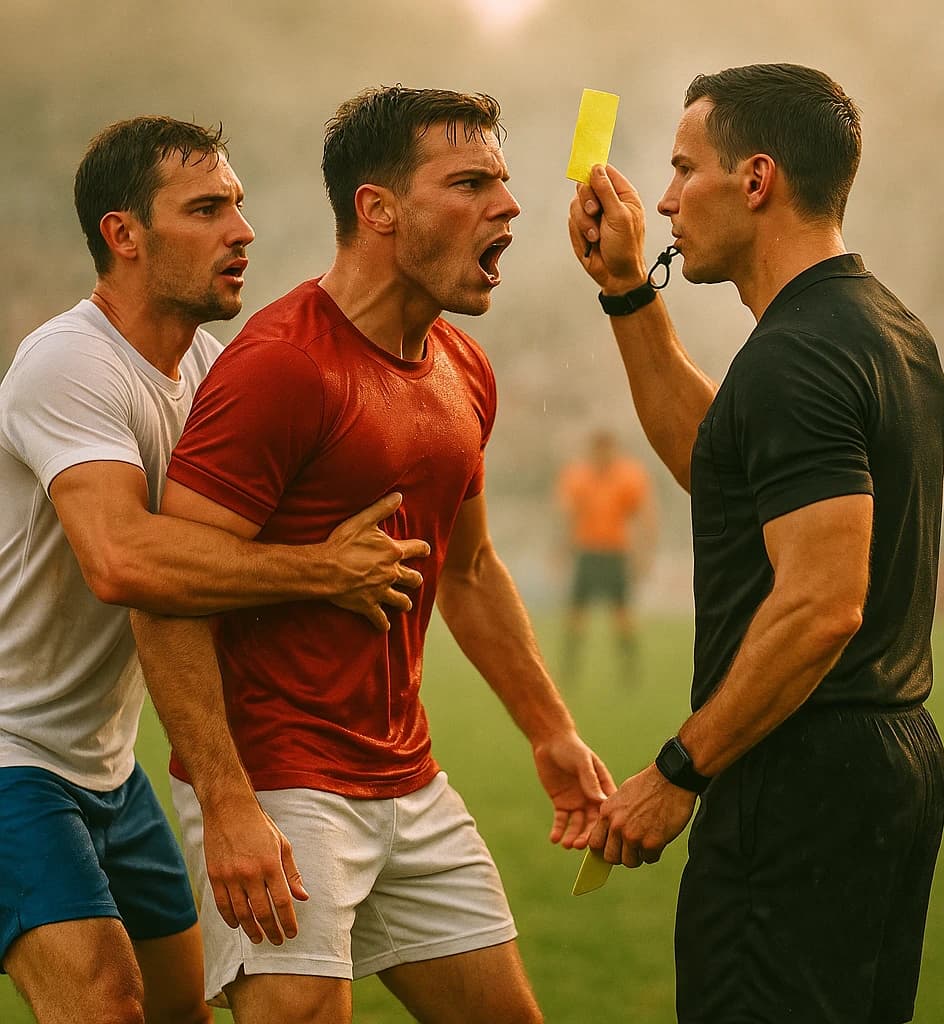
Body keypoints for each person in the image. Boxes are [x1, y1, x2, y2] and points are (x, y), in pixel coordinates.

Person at [130, 87, 615, 1024]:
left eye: (504, 183)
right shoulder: (280, 364)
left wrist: (549, 731)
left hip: (409, 779)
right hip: (279, 784)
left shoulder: (462, 365)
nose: (507, 206)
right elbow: (165, 588)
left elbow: (466, 571)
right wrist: (228, 804)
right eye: (470, 183)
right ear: (378, 208)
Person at [0, 116, 429, 1024]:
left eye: (237, 204)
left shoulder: (209, 366)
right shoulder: (69, 362)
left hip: (110, 768)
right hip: (10, 754)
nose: (243, 230)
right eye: (206, 208)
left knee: (178, 1010)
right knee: (105, 1003)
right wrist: (321, 571)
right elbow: (122, 560)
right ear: (124, 235)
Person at [568, 63, 944, 1024]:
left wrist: (679, 770)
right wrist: (627, 291)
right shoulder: (881, 328)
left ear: (757, 179)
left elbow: (824, 601)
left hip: (800, 772)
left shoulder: (797, 356)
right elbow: (722, 466)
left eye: (683, 166)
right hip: (885, 760)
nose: (662, 200)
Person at [555, 429, 656, 680]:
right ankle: (569, 668)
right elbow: (566, 515)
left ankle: (629, 669)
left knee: (622, 614)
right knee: (576, 613)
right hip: (587, 551)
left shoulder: (628, 476)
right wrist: (562, 548)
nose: (602, 454)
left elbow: (643, 516)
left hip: (615, 552)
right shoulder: (578, 476)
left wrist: (643, 552)